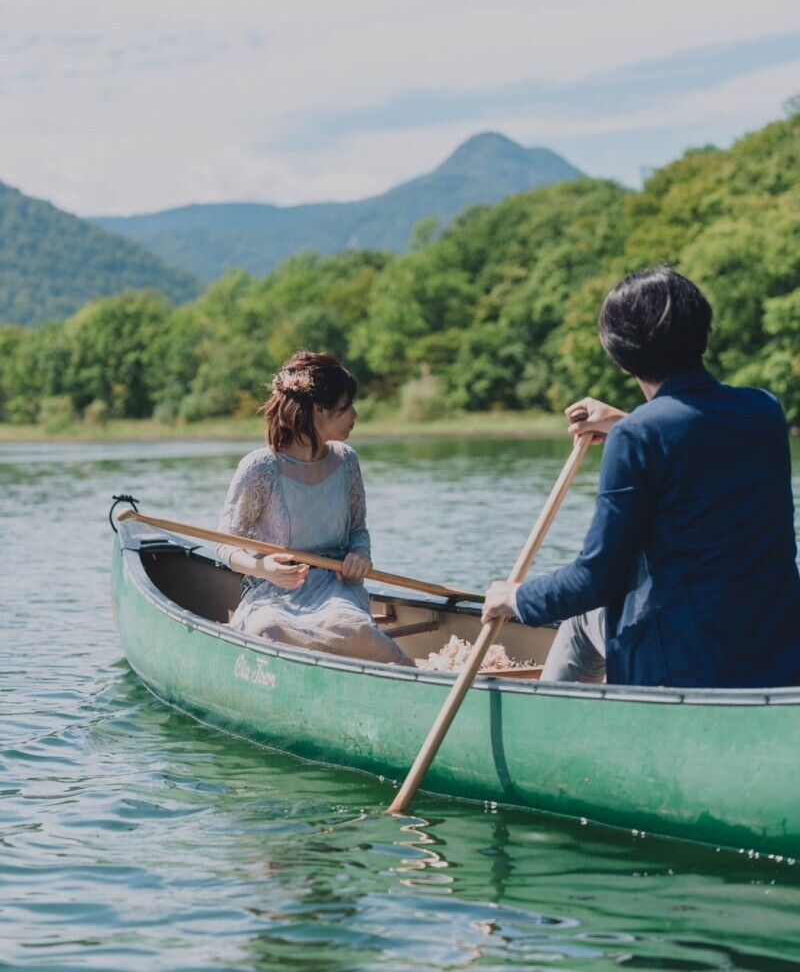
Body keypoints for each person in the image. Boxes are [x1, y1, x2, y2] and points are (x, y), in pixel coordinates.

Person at [482, 266, 800, 689]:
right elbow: (696, 445)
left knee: (581, 617)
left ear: (619, 354)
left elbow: (595, 581)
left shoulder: (639, 436)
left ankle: (550, 732)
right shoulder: (764, 411)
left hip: (687, 668)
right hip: (778, 656)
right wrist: (625, 422)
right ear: (703, 330)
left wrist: (515, 597)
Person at [220, 350, 412, 666]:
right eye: (347, 405)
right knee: (269, 631)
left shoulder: (346, 460)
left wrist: (360, 555)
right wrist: (263, 568)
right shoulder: (260, 467)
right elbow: (225, 544)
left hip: (335, 587)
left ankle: (408, 671)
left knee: (349, 629)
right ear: (319, 410)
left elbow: (358, 531)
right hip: (273, 592)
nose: (355, 413)